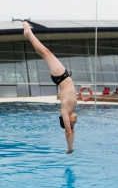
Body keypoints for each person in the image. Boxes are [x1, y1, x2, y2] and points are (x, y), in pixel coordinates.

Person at [23, 21, 77, 154]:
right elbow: (72, 131)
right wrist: (72, 146)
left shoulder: (65, 111)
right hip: (63, 76)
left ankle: (28, 32)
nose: (76, 121)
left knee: (46, 52)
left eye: (73, 123)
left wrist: (69, 148)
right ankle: (29, 34)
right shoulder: (72, 110)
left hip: (61, 77)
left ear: (67, 122)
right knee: (45, 53)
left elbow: (68, 132)